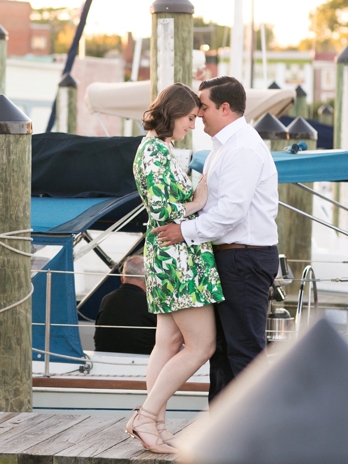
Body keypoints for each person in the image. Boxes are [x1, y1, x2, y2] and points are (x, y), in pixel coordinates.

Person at [152, 76, 279, 401]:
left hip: (244, 258)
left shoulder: (244, 148)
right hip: (227, 257)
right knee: (221, 353)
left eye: (203, 107)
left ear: (225, 108)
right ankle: (222, 433)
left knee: (245, 352)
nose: (198, 114)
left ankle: (253, 439)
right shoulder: (221, 150)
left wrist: (183, 232)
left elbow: (232, 211)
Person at [125, 83, 223, 455]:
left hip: (171, 255)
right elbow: (164, 212)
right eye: (189, 118)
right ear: (173, 113)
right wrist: (198, 201)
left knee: (166, 342)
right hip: (176, 257)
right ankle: (147, 417)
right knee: (202, 345)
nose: (193, 125)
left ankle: (157, 426)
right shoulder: (153, 152)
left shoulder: (159, 149)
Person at [94, 256, 156, 355]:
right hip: (143, 362)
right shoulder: (152, 303)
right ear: (148, 279)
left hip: (104, 360)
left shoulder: (106, 299)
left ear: (122, 277)